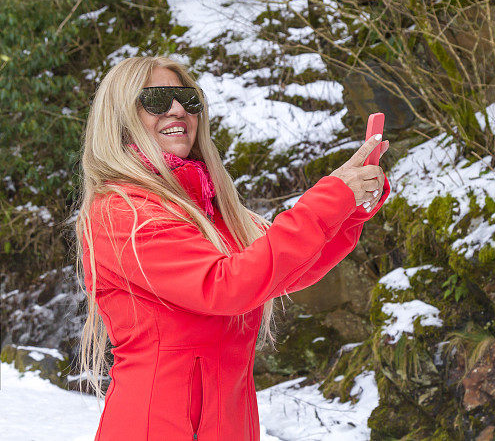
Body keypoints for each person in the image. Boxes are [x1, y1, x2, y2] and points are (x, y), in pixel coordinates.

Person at [73, 55, 390, 440]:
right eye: (156, 99)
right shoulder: (123, 211)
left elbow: (285, 266)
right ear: (120, 117)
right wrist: (329, 200)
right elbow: (226, 286)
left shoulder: (206, 207)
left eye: (188, 98)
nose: (177, 109)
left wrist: (348, 208)